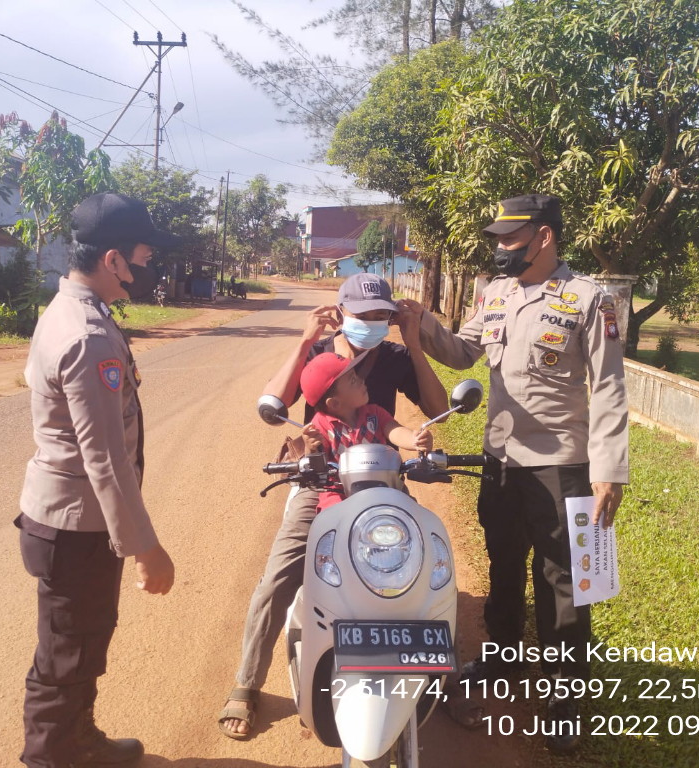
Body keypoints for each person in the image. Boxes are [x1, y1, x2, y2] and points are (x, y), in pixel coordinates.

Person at [406, 194, 629, 754]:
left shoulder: (589, 299)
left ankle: (564, 693)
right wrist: (421, 323)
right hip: (501, 459)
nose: (501, 247)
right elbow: (463, 352)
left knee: (563, 579)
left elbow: (607, 386)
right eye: (499, 239)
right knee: (503, 561)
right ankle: (504, 655)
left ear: (543, 237)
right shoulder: (496, 293)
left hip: (561, 463)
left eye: (510, 237)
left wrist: (609, 469)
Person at [218, 273, 449, 740]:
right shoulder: (319, 356)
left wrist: (414, 343)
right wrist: (305, 341)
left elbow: (433, 407)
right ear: (341, 313)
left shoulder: (395, 357)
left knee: (425, 566)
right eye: (364, 314)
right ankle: (247, 682)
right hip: (320, 486)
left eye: (382, 314)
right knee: (278, 578)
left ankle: (443, 678)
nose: (374, 321)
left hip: (381, 481)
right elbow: (276, 403)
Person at [16, 192, 177, 768]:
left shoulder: (72, 310)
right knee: (66, 654)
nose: (149, 268)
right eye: (144, 257)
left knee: (81, 642)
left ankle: (78, 741)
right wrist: (146, 549)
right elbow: (104, 459)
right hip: (75, 529)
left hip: (73, 522)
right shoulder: (87, 335)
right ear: (113, 260)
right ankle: (52, 756)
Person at [299, 351, 433, 511]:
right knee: (332, 516)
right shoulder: (320, 425)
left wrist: (414, 440)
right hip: (339, 492)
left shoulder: (374, 414)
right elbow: (315, 464)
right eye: (353, 380)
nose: (362, 380)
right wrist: (311, 447)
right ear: (334, 403)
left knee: (411, 513)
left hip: (384, 484)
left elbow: (394, 430)